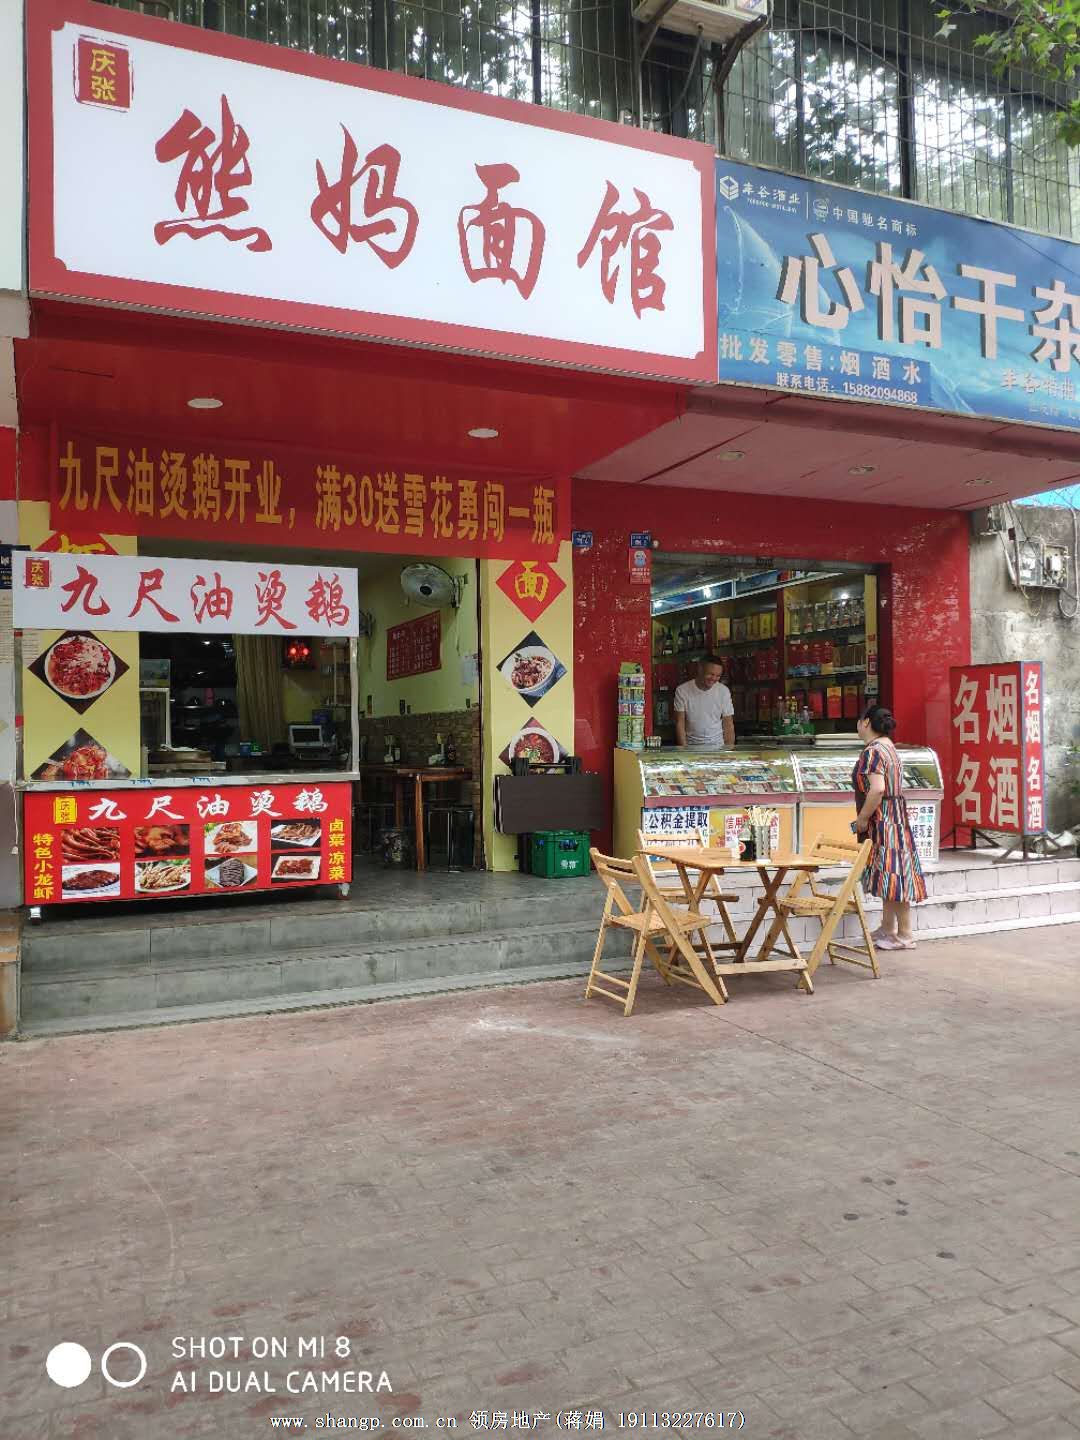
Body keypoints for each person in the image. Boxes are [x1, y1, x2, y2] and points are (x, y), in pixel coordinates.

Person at [851, 703, 927, 950]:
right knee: (892, 872)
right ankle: (888, 928)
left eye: (859, 720)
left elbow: (877, 789)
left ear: (865, 722)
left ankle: (904, 934)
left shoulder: (872, 752)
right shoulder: (889, 747)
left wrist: (863, 818)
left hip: (884, 819)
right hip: (896, 816)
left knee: (895, 873)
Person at [673, 657, 735, 749]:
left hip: (718, 747)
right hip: (691, 747)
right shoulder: (682, 690)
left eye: (718, 676)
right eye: (711, 674)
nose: (714, 678)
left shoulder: (723, 691)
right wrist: (684, 750)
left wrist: (728, 751)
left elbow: (728, 724)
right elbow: (680, 723)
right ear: (700, 669)